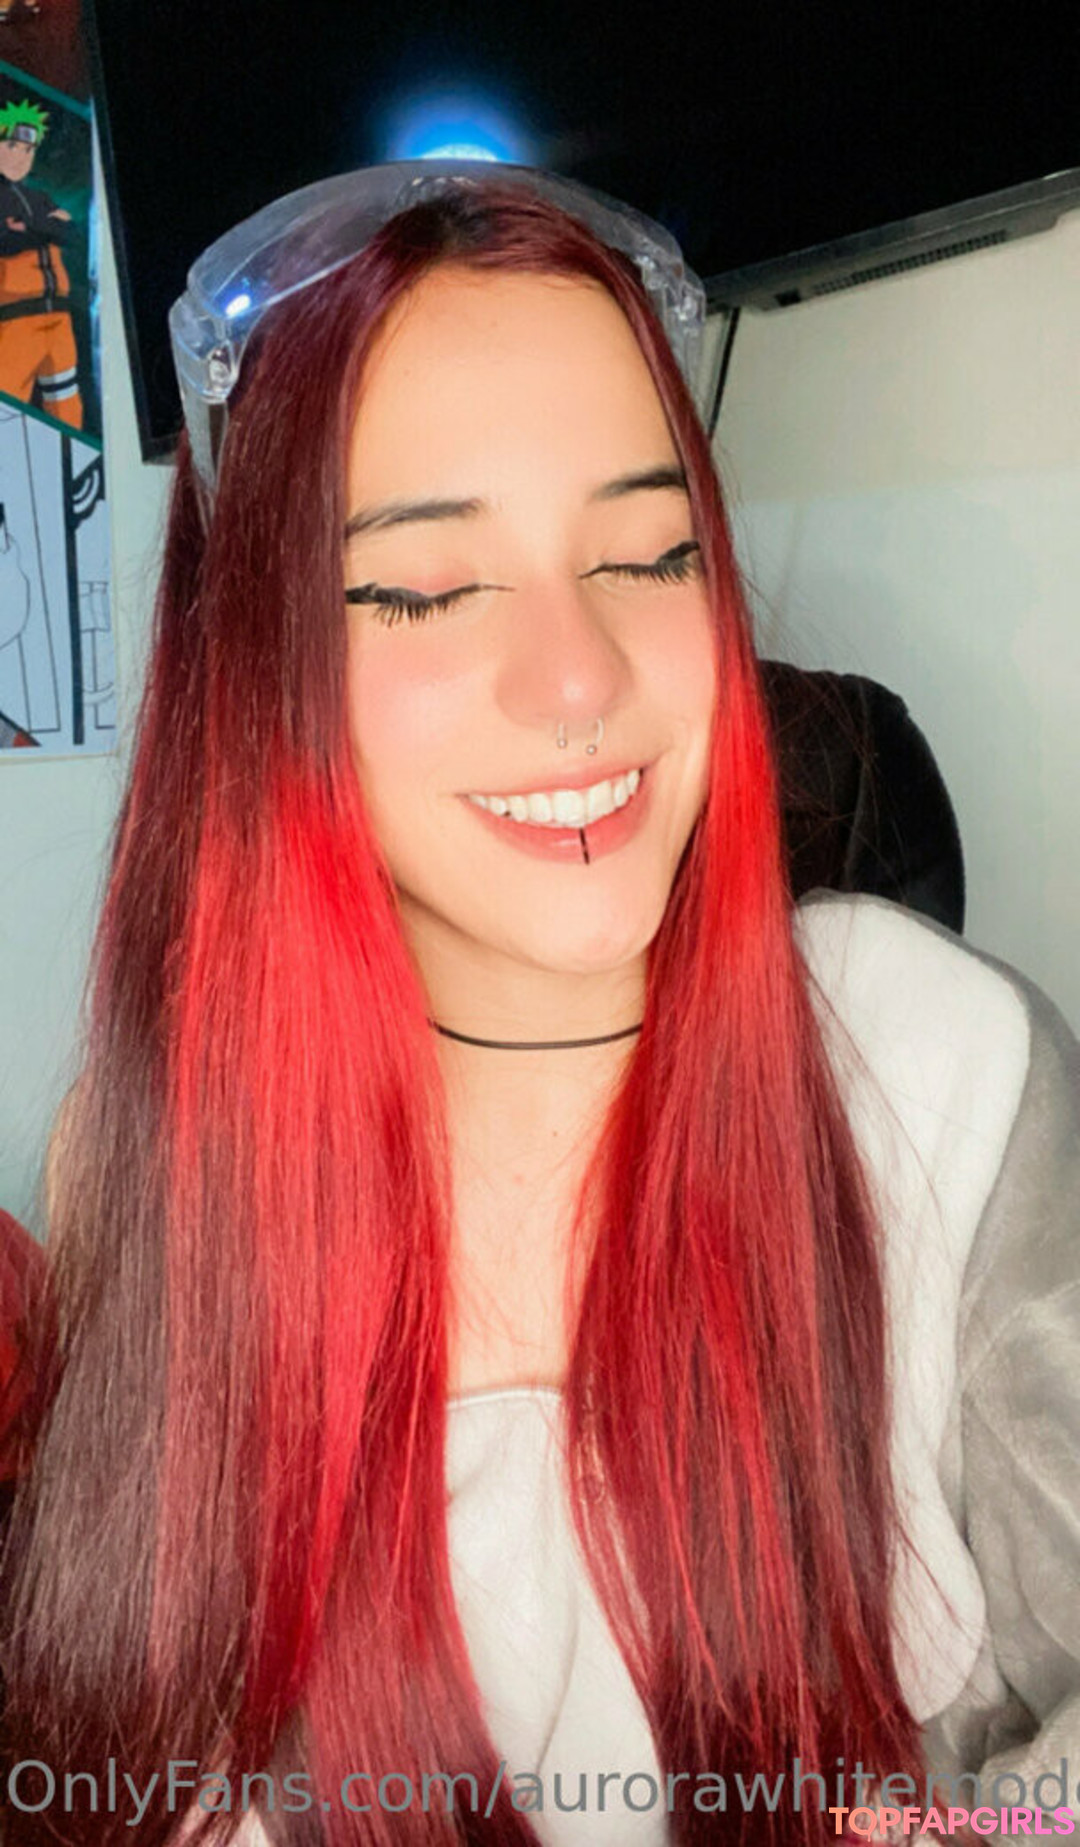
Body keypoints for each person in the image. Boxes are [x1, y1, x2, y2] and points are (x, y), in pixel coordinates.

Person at [0, 164, 1077, 1847]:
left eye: (648, 554)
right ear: (260, 668)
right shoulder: (154, 1155)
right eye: (429, 587)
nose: (582, 676)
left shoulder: (937, 1066)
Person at [0, 99, 82, 428]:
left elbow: (71, 232)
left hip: (58, 319)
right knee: (9, 414)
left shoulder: (38, 198)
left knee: (67, 409)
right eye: (12, 146)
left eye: (28, 150)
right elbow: (6, 239)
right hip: (14, 323)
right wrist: (46, 226)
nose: (20, 157)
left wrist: (29, 225)